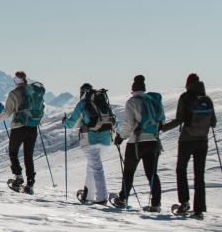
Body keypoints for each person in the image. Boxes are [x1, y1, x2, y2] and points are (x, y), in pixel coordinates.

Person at [161, 74, 217, 219]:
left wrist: (163, 128)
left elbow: (180, 119)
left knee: (181, 170)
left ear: (188, 84)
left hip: (187, 140)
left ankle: (184, 203)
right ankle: (199, 210)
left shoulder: (185, 97)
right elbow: (214, 122)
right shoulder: (207, 100)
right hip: (202, 142)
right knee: (199, 175)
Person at [111, 75, 163, 211]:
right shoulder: (153, 101)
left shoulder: (132, 102)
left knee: (128, 172)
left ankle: (122, 199)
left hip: (136, 143)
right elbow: (161, 120)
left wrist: (120, 137)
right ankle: (156, 203)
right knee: (152, 173)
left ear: (132, 90)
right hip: (153, 141)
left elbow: (128, 124)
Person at [63, 83, 115, 205]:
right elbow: (113, 122)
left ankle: (101, 198)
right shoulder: (103, 102)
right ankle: (88, 196)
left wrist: (64, 122)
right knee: (91, 167)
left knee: (96, 168)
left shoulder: (83, 104)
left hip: (90, 141)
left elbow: (72, 124)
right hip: (106, 140)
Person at [0, 71, 38, 194]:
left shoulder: (13, 93)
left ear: (16, 80)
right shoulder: (34, 92)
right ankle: (30, 184)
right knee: (28, 156)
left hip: (18, 127)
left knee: (13, 152)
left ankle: (18, 176)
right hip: (32, 127)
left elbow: (8, 112)